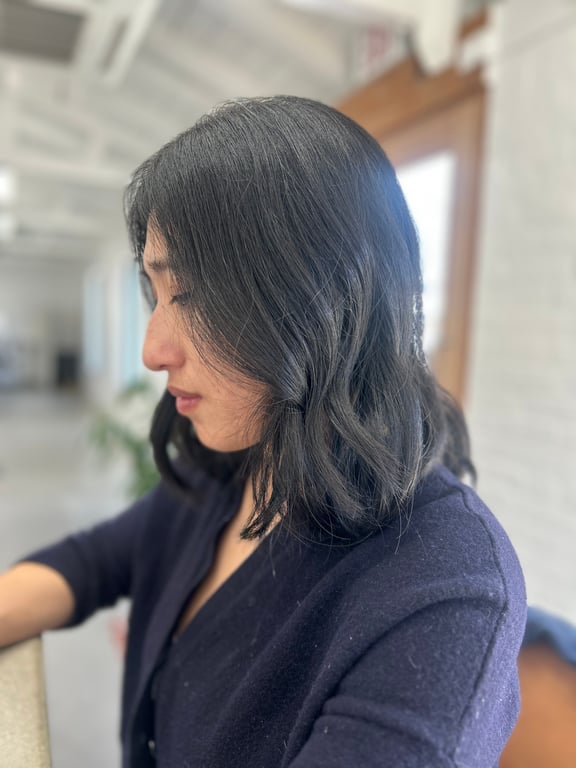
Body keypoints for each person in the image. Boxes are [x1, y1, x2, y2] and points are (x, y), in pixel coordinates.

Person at [0, 96, 526, 767]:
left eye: (193, 295)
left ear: (324, 304)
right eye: (156, 294)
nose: (153, 350)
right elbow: (92, 561)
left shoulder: (446, 587)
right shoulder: (233, 465)